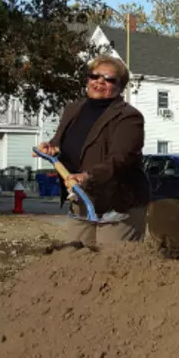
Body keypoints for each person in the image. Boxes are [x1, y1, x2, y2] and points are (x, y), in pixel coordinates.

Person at [35, 55, 149, 245]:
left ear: (120, 86)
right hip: (83, 198)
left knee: (112, 264)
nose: (99, 82)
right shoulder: (73, 109)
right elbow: (60, 141)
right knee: (75, 257)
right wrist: (51, 148)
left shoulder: (129, 117)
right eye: (94, 76)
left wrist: (87, 176)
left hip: (119, 203)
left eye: (108, 79)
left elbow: (120, 159)